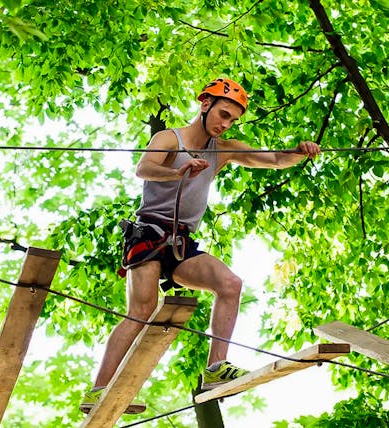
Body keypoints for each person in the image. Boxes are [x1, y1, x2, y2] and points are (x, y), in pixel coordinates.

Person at [80, 78, 320, 414]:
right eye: (223, 114)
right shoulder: (169, 138)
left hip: (181, 245)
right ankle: (98, 391)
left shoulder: (223, 149)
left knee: (230, 284)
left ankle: (216, 369)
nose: (226, 124)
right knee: (141, 311)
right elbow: (144, 168)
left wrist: (299, 152)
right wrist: (179, 171)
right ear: (204, 105)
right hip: (149, 236)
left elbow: (275, 158)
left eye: (233, 120)